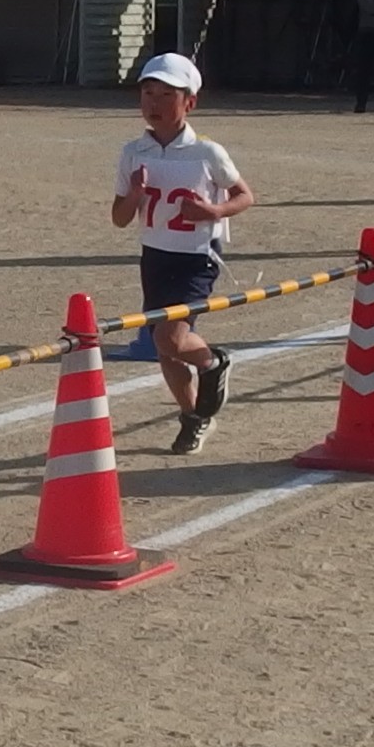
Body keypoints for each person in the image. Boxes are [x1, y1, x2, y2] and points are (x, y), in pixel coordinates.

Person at [114, 50, 250, 452]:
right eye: (148, 93)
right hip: (154, 256)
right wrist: (134, 193)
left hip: (195, 257)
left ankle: (212, 361)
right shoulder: (133, 152)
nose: (154, 104)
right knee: (164, 348)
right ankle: (193, 416)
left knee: (171, 339)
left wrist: (214, 211)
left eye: (166, 95)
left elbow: (245, 195)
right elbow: (120, 217)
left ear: (189, 103)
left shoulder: (207, 152)